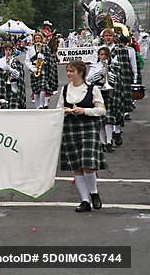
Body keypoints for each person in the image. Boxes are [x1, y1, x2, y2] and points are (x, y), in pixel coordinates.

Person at [57, 61, 106, 212]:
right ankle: (85, 201)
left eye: (71, 71)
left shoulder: (93, 89)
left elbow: (102, 110)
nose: (68, 74)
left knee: (88, 164)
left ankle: (94, 193)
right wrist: (64, 110)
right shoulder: (65, 89)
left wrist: (84, 111)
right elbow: (58, 109)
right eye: (68, 71)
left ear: (80, 72)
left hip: (88, 128)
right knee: (77, 167)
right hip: (70, 129)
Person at [25, 32, 56, 109]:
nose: (37, 40)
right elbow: (27, 60)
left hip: (43, 70)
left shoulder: (45, 48)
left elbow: (50, 59)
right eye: (36, 38)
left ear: (41, 39)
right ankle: (37, 106)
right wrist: (32, 68)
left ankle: (42, 105)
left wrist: (44, 59)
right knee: (36, 89)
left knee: (43, 86)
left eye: (39, 38)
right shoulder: (30, 49)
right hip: (34, 70)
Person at [0, 42, 26, 109]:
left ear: (12, 51)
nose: (8, 52)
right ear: (4, 51)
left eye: (9, 50)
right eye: (6, 50)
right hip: (3, 87)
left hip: (13, 87)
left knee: (14, 107)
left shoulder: (16, 61)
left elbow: (20, 75)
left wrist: (11, 70)